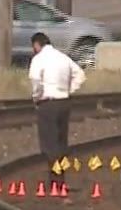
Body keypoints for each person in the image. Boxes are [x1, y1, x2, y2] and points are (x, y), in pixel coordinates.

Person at [28, 32, 84, 162]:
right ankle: (61, 173)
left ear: (36, 45)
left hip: (47, 103)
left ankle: (54, 175)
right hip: (64, 102)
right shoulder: (63, 57)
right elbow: (80, 74)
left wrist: (36, 97)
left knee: (49, 143)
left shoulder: (39, 59)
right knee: (61, 140)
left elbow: (35, 80)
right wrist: (69, 89)